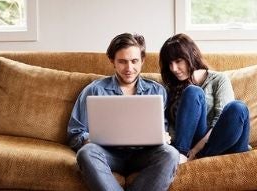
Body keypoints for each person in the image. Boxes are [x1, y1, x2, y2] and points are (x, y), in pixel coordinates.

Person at [67, 33, 179, 191]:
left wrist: (166, 135)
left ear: (142, 60)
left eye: (134, 61)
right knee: (86, 152)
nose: (129, 68)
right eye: (122, 62)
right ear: (112, 61)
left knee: (171, 154)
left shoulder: (157, 90)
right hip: (108, 154)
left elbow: (167, 128)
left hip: (144, 154)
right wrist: (88, 139)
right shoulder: (94, 90)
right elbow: (74, 133)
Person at [159, 33, 250, 163]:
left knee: (238, 107)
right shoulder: (169, 87)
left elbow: (222, 120)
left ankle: (193, 157)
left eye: (178, 61)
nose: (174, 68)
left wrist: (196, 151)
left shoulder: (219, 79)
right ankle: (180, 154)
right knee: (193, 92)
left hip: (226, 142)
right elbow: (170, 127)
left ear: (191, 56)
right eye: (170, 64)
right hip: (190, 144)